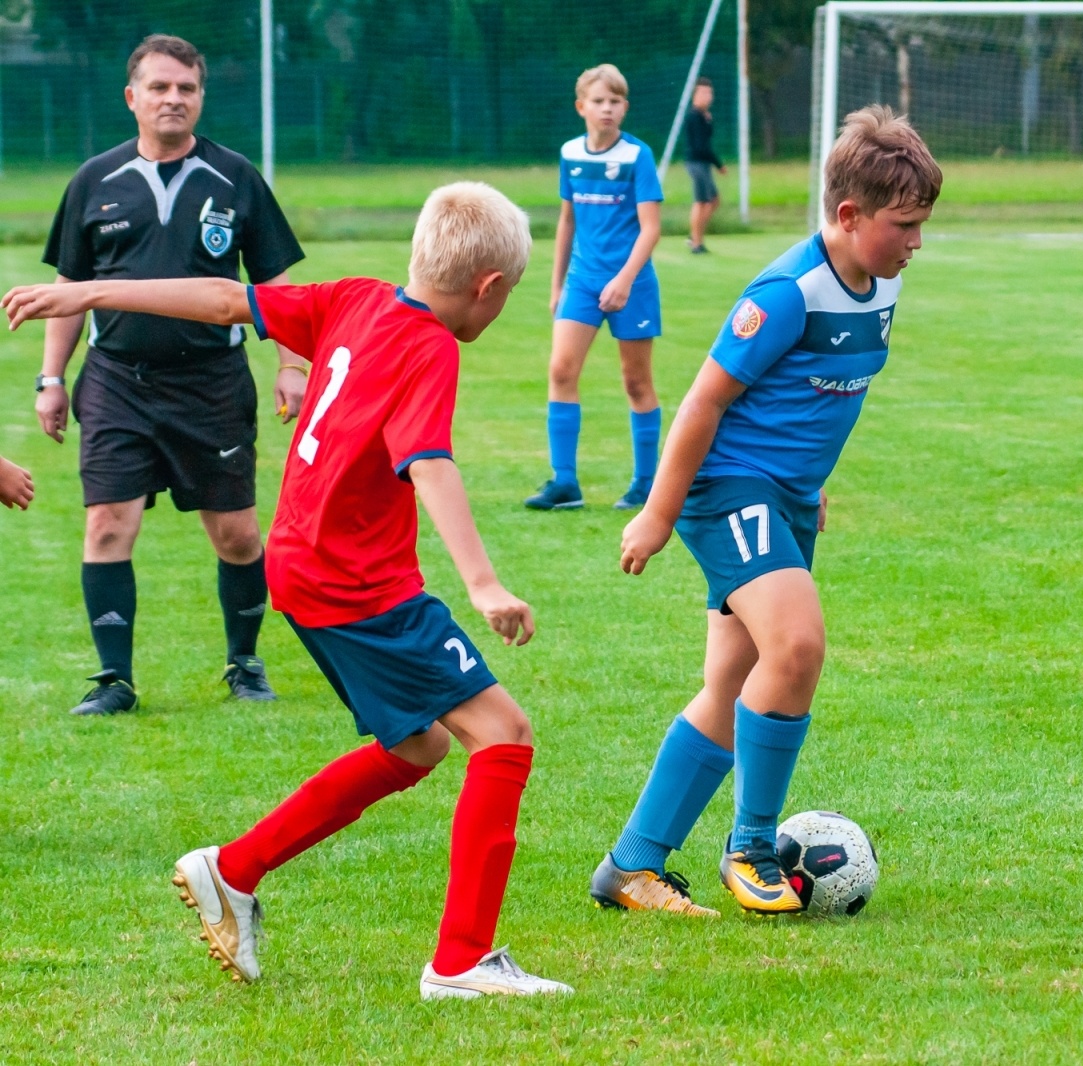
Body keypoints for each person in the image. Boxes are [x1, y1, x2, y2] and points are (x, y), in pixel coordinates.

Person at [3, 182, 572, 999]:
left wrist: (91, 289)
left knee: (420, 745)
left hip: (299, 567)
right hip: (356, 583)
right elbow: (429, 460)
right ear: (488, 288)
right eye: (506, 296)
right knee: (504, 736)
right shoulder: (429, 346)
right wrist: (482, 584)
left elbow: (223, 299)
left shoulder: (356, 299)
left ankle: (233, 869)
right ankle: (460, 963)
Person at [587, 105, 941, 915]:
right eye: (905, 225)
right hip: (726, 490)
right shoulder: (787, 292)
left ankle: (631, 865)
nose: (917, 242)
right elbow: (703, 405)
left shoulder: (880, 284)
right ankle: (751, 847)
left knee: (731, 680)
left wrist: (806, 486)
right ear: (848, 217)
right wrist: (658, 514)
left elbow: (820, 400)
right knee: (798, 644)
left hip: (782, 500)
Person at [37, 34, 307, 716]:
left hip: (212, 382)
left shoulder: (235, 176)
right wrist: (52, 378)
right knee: (106, 525)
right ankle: (113, 680)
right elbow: (71, 287)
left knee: (238, 534)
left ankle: (245, 663)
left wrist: (292, 363)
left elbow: (276, 280)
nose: (173, 99)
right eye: (159, 87)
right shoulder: (94, 180)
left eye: (186, 88)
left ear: (200, 98)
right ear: (132, 98)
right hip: (116, 381)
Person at [526, 63, 664, 513]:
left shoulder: (637, 156)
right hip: (582, 283)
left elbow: (650, 229)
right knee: (561, 371)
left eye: (616, 101)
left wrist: (624, 281)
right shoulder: (570, 153)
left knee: (635, 381)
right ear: (581, 107)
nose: (608, 109)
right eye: (599, 101)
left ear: (624, 107)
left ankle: (646, 485)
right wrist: (556, 285)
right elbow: (567, 221)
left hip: (633, 285)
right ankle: (565, 482)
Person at [684, 77, 727, 255]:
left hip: (703, 163)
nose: (708, 97)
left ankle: (695, 234)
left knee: (713, 200)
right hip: (697, 163)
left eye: (710, 93)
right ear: (695, 95)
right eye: (704, 93)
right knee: (702, 201)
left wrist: (709, 121)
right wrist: (718, 164)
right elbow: (701, 146)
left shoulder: (704, 117)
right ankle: (696, 242)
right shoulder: (693, 116)